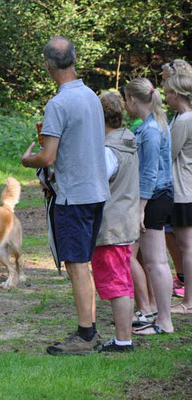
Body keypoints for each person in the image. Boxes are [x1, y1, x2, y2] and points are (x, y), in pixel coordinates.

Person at [21, 36, 110, 355]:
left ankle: (86, 335)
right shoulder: (91, 96)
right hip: (97, 190)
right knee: (83, 264)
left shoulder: (58, 103)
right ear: (73, 60)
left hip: (73, 196)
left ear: (47, 65)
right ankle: (89, 330)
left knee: (76, 265)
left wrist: (28, 159)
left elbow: (48, 157)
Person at [124, 78, 175, 335]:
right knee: (155, 262)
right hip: (154, 198)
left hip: (154, 199)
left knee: (156, 263)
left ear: (133, 100)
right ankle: (157, 316)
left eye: (126, 99)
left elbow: (149, 173)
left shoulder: (152, 131)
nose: (125, 104)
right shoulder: (148, 127)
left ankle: (164, 321)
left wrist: (141, 207)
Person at [93, 92, 139, 352]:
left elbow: (97, 181)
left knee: (116, 283)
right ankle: (124, 337)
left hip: (112, 225)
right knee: (122, 280)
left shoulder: (110, 149)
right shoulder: (126, 141)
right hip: (124, 220)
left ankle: (123, 340)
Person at [162, 59, 192, 298]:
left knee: (187, 246)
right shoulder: (182, 118)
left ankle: (189, 299)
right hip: (184, 187)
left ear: (178, 94)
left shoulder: (183, 120)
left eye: (168, 94)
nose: (166, 98)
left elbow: (169, 153)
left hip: (183, 190)